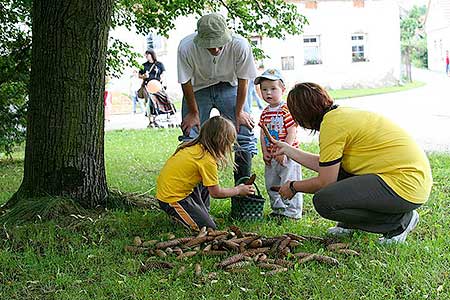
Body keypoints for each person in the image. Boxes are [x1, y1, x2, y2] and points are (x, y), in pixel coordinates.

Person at [274, 82, 432, 244]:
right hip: (412, 179)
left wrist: (294, 186)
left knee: (324, 201)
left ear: (303, 115)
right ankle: (350, 223)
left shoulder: (332, 125)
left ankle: (399, 222)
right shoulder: (340, 115)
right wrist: (289, 150)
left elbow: (325, 182)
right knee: (341, 175)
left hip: (405, 185)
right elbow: (327, 167)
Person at [177, 13, 258, 184]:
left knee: (243, 130)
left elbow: (244, 80)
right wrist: (193, 112)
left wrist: (240, 111)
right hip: (198, 88)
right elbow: (185, 82)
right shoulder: (186, 47)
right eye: (209, 45)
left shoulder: (240, 45)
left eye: (218, 44)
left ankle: (242, 190)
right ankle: (194, 191)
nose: (215, 49)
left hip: (230, 85)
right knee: (191, 133)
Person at [156, 116, 255, 230]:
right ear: (220, 142)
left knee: (206, 182)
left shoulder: (196, 147)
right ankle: (180, 215)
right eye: (229, 143)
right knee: (208, 228)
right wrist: (238, 190)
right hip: (171, 199)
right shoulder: (206, 160)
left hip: (181, 190)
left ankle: (200, 213)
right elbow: (216, 193)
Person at [255, 69, 303, 219]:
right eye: (264, 89)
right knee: (272, 182)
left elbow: (291, 132)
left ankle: (292, 212)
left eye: (273, 89)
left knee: (289, 182)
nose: (268, 93)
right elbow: (263, 134)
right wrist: (265, 152)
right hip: (272, 155)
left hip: (288, 155)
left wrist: (284, 151)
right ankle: (278, 209)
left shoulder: (286, 110)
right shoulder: (265, 112)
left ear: (283, 89)